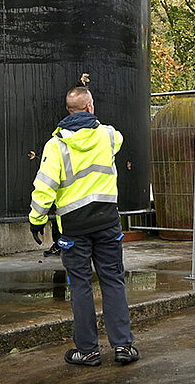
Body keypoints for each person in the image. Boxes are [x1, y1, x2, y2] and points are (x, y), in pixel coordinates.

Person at [29, 86, 138, 367]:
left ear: (68, 111)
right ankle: (123, 347)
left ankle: (88, 352)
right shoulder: (108, 136)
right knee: (113, 280)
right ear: (90, 108)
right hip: (107, 222)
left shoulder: (55, 146)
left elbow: (45, 187)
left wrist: (37, 219)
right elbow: (118, 139)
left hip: (74, 228)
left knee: (80, 286)